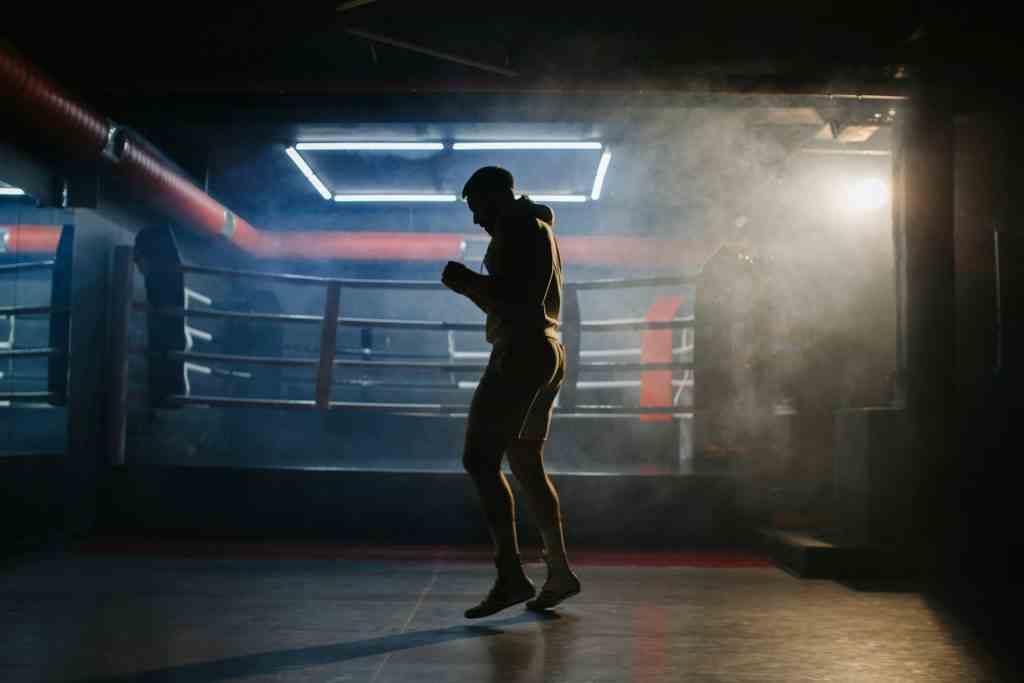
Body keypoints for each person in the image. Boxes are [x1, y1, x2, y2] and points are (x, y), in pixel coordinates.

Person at [441, 166, 581, 618]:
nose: (476, 220)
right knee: (524, 462)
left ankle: (511, 575)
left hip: (520, 351)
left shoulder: (517, 228)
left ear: (495, 196)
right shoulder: (536, 227)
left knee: (479, 460)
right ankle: (558, 571)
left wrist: (465, 282)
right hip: (548, 350)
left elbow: (516, 300)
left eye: (477, 207)